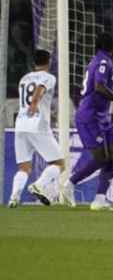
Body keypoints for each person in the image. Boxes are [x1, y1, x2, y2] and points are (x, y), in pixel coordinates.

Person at [60, 33, 113, 211]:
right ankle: (69, 184)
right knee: (101, 157)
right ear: (111, 45)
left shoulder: (102, 60)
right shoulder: (103, 61)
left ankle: (100, 199)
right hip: (89, 116)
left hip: (103, 117)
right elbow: (99, 87)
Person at [8, 50, 64, 208]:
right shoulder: (49, 77)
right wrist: (34, 104)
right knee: (59, 164)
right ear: (49, 61)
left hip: (20, 125)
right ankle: (39, 185)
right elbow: (40, 88)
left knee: (24, 167)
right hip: (37, 124)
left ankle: (14, 198)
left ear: (34, 62)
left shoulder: (24, 78)